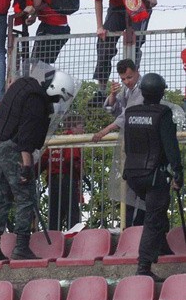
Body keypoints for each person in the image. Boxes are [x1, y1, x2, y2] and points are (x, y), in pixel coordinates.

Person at [0, 70, 75, 261]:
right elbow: (26, 138)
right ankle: (21, 247)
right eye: (59, 96)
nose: (57, 101)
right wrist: (26, 167)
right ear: (55, 89)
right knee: (25, 198)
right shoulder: (37, 102)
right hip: (13, 149)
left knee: (0, 198)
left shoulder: (23, 85)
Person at [123, 73, 182, 282]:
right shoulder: (163, 114)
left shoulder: (130, 113)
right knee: (153, 218)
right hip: (154, 176)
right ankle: (144, 266)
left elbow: (127, 145)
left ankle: (163, 246)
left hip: (132, 175)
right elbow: (171, 146)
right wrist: (178, 172)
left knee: (156, 210)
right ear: (162, 92)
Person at [89, 0, 159, 102]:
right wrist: (100, 26)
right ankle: (101, 90)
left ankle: (131, 87)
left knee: (135, 43)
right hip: (116, 7)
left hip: (138, 1)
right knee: (104, 44)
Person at [92, 59, 145, 226]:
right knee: (129, 188)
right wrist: (113, 95)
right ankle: (129, 226)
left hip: (143, 145)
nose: (126, 82)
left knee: (141, 190)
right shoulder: (127, 90)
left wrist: (106, 130)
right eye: (123, 79)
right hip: (131, 145)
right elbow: (114, 109)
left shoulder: (144, 89)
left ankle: (136, 225)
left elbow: (128, 114)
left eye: (129, 77)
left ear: (137, 71)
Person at [21, 0, 71, 66]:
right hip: (59, 26)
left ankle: (39, 81)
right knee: (43, 65)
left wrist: (33, 12)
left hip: (51, 27)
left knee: (38, 66)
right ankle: (42, 80)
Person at [41, 115, 84, 230]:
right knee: (72, 211)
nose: (83, 130)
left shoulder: (55, 141)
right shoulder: (71, 139)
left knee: (55, 212)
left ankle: (53, 237)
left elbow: (42, 160)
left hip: (53, 180)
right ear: (73, 127)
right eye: (81, 127)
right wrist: (78, 171)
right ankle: (74, 236)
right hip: (67, 178)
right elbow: (71, 158)